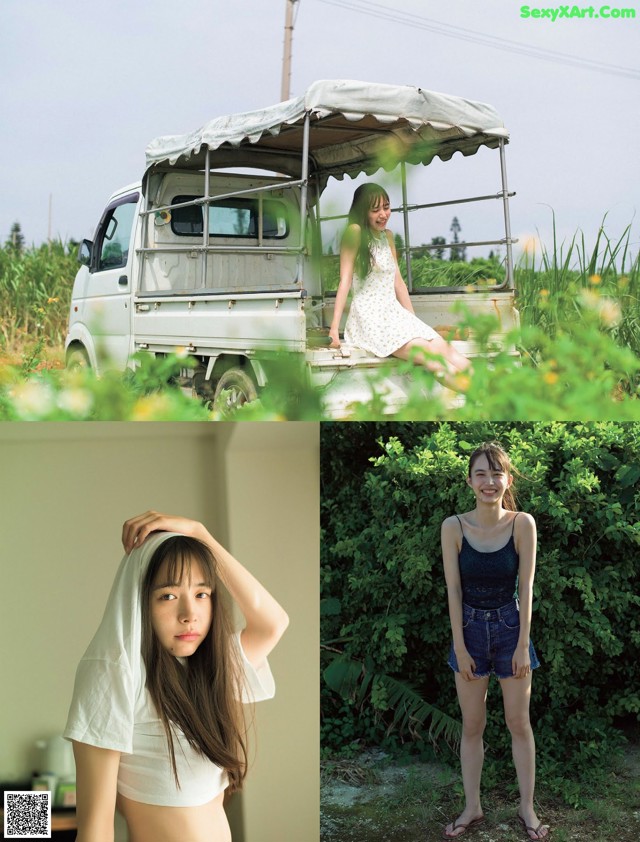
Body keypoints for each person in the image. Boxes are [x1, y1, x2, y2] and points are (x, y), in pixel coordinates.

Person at [64, 511, 289, 842]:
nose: (189, 615)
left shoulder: (206, 668)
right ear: (140, 601)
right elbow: (96, 829)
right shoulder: (115, 673)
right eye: (168, 596)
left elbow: (274, 623)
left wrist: (202, 535)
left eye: (201, 594)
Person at [441, 444, 549, 840]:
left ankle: (527, 808)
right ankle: (473, 806)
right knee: (472, 725)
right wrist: (460, 647)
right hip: (468, 631)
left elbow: (527, 587)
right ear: (469, 481)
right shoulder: (453, 527)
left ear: (508, 479)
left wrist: (522, 645)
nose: (489, 481)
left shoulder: (523, 524)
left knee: (518, 723)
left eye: (496, 473)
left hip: (510, 629)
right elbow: (454, 589)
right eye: (481, 474)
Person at [328, 182, 471, 387]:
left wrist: (413, 323)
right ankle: (479, 397)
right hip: (370, 318)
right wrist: (334, 329)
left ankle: (492, 392)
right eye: (375, 210)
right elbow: (345, 281)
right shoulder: (355, 232)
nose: (383, 214)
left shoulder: (387, 236)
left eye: (386, 207)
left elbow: (398, 283)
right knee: (431, 356)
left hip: (394, 314)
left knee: (447, 350)